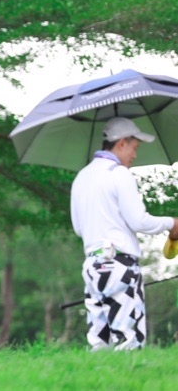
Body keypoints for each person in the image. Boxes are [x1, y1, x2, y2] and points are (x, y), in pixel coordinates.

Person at [70, 116, 178, 350]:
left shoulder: (81, 177)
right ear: (121, 143)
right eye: (134, 147)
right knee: (130, 341)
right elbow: (139, 221)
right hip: (119, 265)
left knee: (100, 342)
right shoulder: (119, 173)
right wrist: (172, 223)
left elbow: (79, 228)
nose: (135, 155)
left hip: (92, 266)